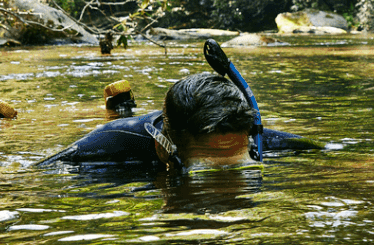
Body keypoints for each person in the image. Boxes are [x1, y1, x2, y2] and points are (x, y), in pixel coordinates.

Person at [40, 42, 317, 171]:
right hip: (136, 136)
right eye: (205, 175)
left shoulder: (254, 138)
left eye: (239, 169)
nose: (230, 196)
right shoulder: (104, 144)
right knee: (120, 117)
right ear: (163, 149)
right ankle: (120, 107)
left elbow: (333, 156)